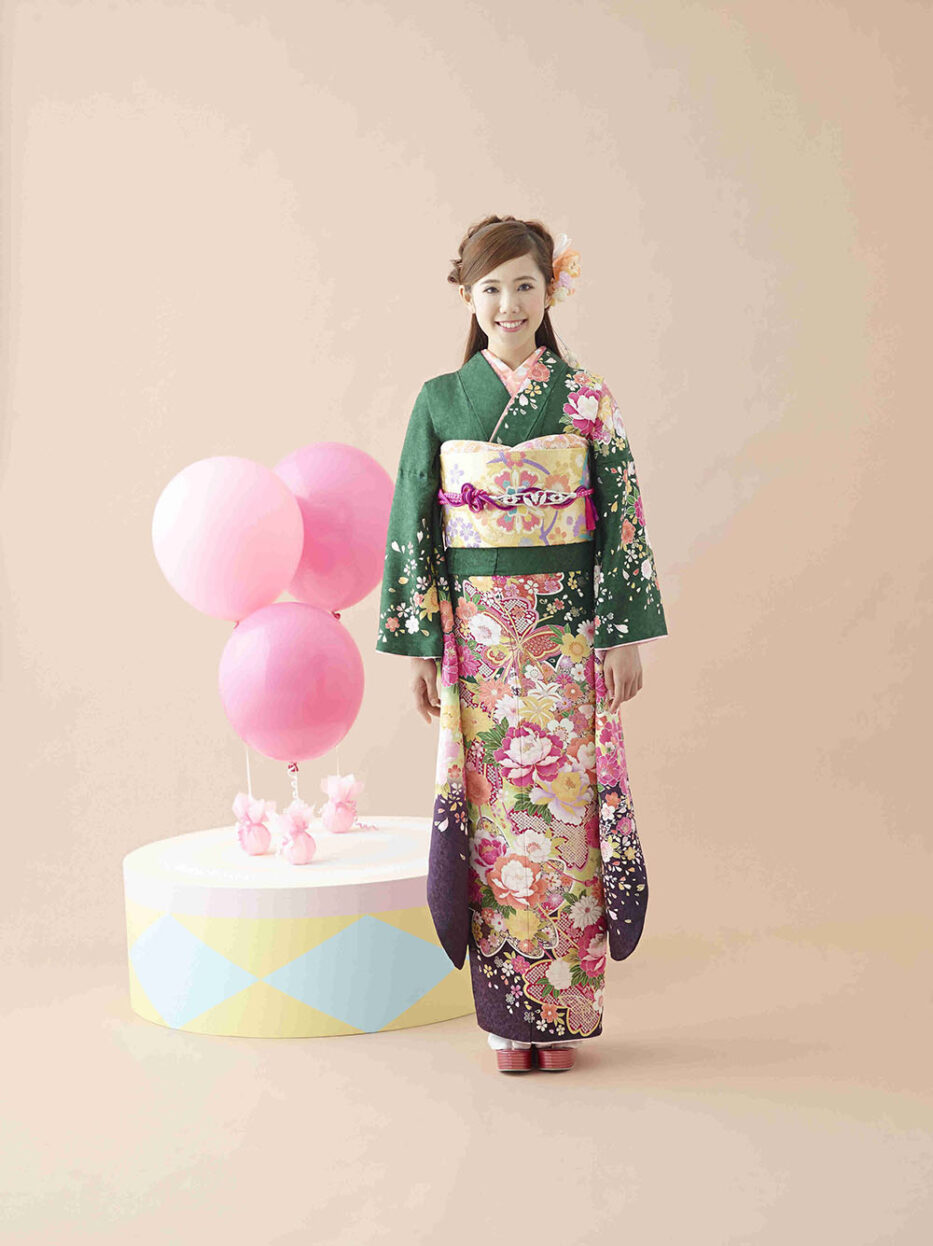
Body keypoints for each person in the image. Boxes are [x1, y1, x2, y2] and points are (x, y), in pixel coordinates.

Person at [376, 215, 669, 1074]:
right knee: (494, 817)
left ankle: (561, 1015)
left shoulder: (585, 397)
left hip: (564, 633)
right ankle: (508, 1024)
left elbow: (621, 516)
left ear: (550, 292)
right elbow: (412, 520)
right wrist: (422, 644)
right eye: (492, 288)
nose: (509, 304)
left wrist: (622, 634)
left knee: (564, 815)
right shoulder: (440, 399)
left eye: (525, 286)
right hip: (478, 638)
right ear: (469, 298)